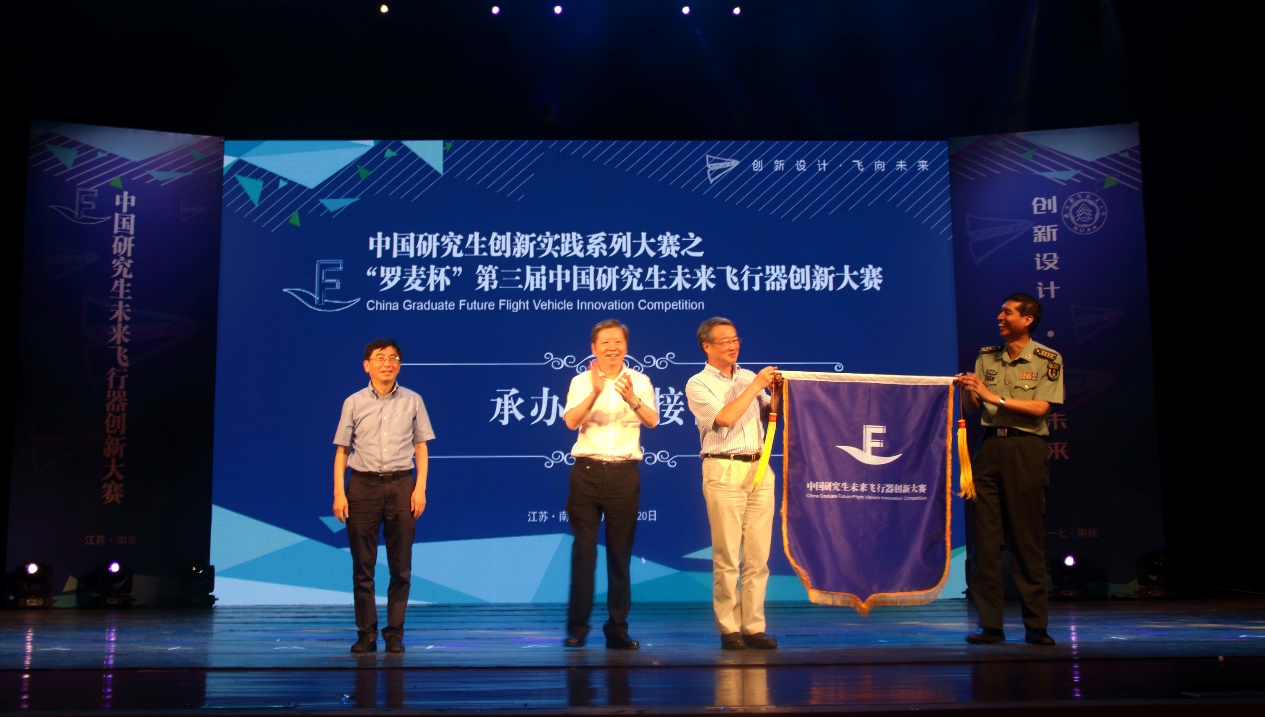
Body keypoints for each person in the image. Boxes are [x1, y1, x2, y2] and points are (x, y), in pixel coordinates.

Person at [953, 293, 1064, 647]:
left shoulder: (1047, 359)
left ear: (1028, 319)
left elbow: (1040, 408)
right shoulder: (987, 357)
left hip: (1025, 448)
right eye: (1000, 311)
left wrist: (991, 396)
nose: (1000, 317)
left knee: (1027, 540)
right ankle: (991, 625)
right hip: (989, 448)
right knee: (986, 544)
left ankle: (1036, 626)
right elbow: (975, 409)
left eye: (1008, 312)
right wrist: (968, 390)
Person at [333, 338, 435, 654]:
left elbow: (421, 446)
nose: (387, 363)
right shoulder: (353, 402)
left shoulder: (413, 400)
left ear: (399, 365)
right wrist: (339, 492)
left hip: (402, 485)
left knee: (400, 566)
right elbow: (342, 450)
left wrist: (420, 488)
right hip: (362, 486)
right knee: (363, 566)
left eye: (393, 358)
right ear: (367, 365)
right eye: (380, 358)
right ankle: (366, 634)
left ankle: (395, 633)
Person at [684, 317, 781, 651]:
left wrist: (777, 392)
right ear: (707, 346)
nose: (733, 345)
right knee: (727, 556)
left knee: (758, 557)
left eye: (735, 339)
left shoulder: (747, 376)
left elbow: (773, 414)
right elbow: (724, 418)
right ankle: (728, 627)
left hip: (759, 468)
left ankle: (754, 627)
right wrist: (754, 387)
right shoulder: (698, 384)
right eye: (724, 341)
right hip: (723, 468)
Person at [561, 318, 659, 650]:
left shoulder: (640, 381)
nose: (612, 348)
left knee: (620, 555)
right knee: (584, 553)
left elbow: (652, 420)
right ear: (594, 348)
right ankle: (577, 628)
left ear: (626, 346)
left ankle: (617, 628)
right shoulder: (580, 381)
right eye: (605, 342)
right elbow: (570, 421)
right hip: (586, 473)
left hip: (623, 474)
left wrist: (632, 399)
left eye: (617, 341)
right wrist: (594, 393)